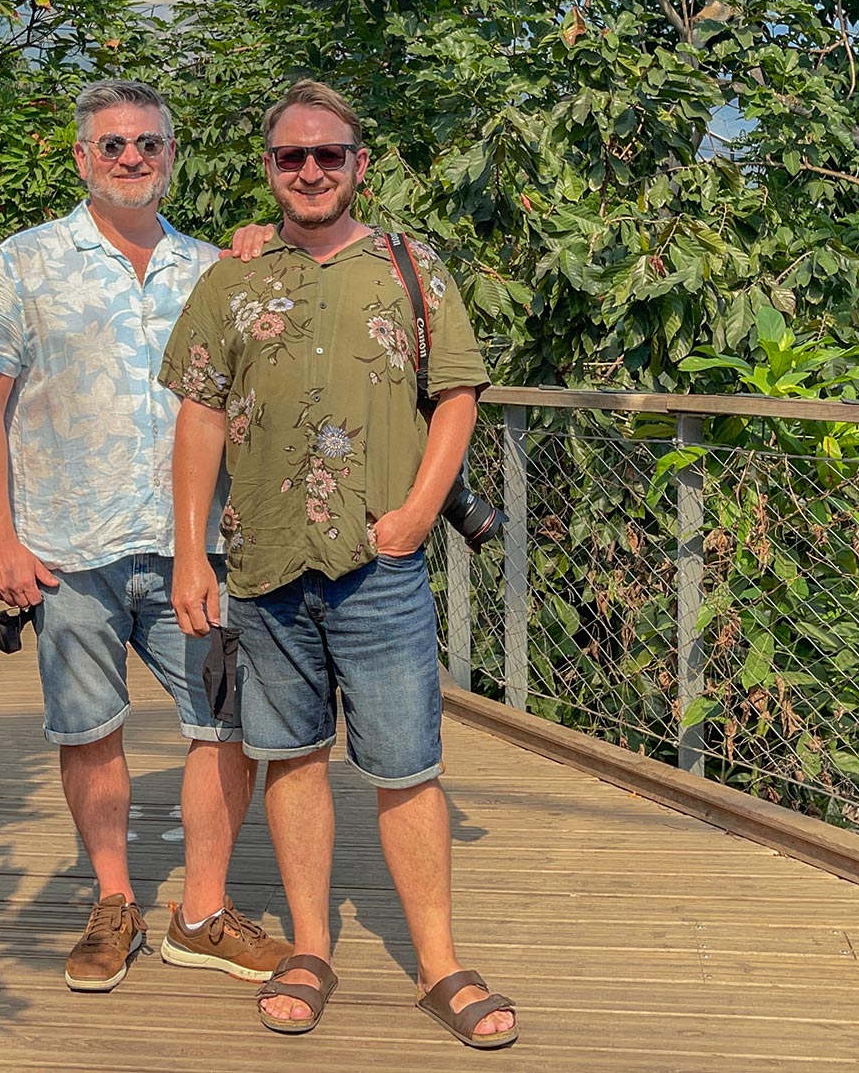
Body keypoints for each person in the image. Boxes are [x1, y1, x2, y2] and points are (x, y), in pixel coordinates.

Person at [161, 79, 519, 1048]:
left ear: (359, 164)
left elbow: (456, 397)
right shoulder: (229, 282)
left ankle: (437, 962)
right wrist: (190, 548)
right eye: (290, 156)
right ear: (268, 168)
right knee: (288, 760)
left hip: (377, 565)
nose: (310, 170)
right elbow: (196, 412)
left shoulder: (411, 266)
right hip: (264, 563)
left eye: (328, 155)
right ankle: (311, 947)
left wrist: (410, 515)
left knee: (407, 766)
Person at [0, 78, 291, 993]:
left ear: (171, 157)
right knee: (88, 729)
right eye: (113, 145)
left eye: (149, 143)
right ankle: (114, 898)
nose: (132, 157)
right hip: (67, 547)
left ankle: (202, 911)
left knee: (225, 722)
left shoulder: (214, 267)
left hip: (197, 549)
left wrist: (268, 249)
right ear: (81, 157)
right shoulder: (24, 263)